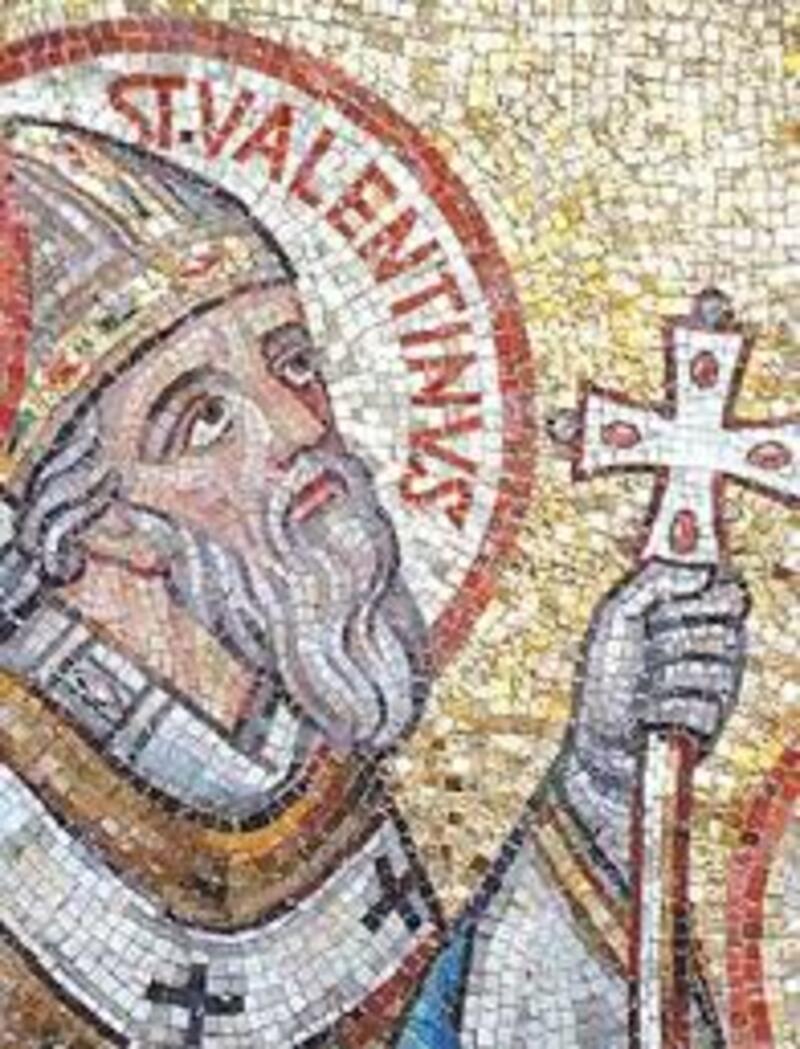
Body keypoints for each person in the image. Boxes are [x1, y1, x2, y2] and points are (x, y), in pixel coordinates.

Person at [0, 118, 747, 1047]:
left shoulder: (309, 766)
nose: (296, 426)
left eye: (293, 364)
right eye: (202, 419)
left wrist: (599, 778)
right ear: (97, 520)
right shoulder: (20, 810)